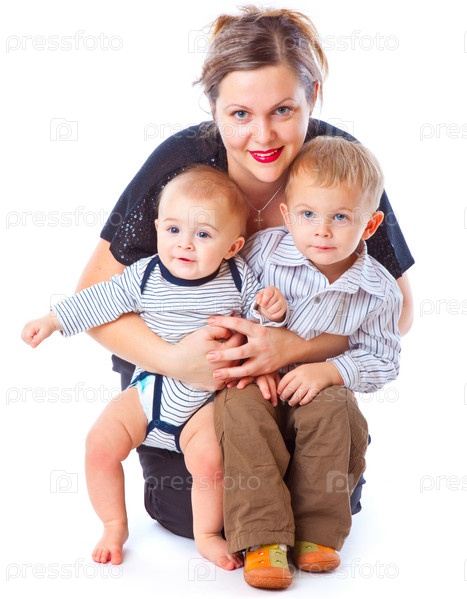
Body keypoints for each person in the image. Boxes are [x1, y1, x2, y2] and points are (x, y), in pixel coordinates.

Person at [72, 2, 413, 573]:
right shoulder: (181, 165)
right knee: (196, 514)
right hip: (179, 383)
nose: (263, 135)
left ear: (313, 97)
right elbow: (94, 297)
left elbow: (398, 311)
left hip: (299, 380)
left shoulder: (337, 165)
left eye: (283, 110)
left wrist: (296, 349)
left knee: (324, 500)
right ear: (213, 108)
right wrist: (177, 361)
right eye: (239, 114)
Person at [21, 165, 287, 570]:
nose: (185, 244)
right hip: (148, 392)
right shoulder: (144, 276)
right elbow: (99, 299)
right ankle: (113, 525)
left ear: (232, 247)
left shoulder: (238, 278)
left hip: (204, 404)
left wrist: (272, 311)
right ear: (158, 228)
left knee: (210, 464)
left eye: (203, 235)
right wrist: (54, 320)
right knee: (99, 444)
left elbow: (262, 325)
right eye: (174, 230)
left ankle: (206, 534)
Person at [216, 134, 402, 589]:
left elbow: (384, 358)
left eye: (340, 217)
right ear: (286, 215)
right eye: (308, 215)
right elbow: (228, 299)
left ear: (370, 225)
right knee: (238, 412)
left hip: (319, 390)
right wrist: (261, 319)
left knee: (335, 412)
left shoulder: (378, 290)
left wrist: (332, 370)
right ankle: (263, 538)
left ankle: (316, 532)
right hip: (257, 381)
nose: (322, 230)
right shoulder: (265, 252)